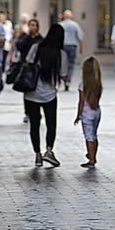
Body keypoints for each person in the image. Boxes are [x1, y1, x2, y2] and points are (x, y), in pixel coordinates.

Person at [23, 23, 68, 167]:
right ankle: (49, 150)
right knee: (51, 124)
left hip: (31, 93)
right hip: (49, 95)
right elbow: (64, 76)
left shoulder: (36, 48)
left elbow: (27, 64)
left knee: (34, 125)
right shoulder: (61, 55)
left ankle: (37, 155)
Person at [74, 57, 103, 168]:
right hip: (97, 111)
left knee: (89, 136)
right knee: (94, 135)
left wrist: (78, 115)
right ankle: (93, 155)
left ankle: (91, 159)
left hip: (87, 113)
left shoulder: (83, 84)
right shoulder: (97, 83)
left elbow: (81, 102)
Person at [16, 18, 43, 123]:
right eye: (31, 25)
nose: (33, 27)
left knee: (36, 90)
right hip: (26, 68)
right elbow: (19, 47)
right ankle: (27, 112)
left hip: (36, 68)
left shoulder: (40, 39)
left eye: (35, 25)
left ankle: (36, 112)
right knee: (26, 90)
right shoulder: (25, 37)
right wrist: (26, 36)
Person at [60, 9, 84, 91]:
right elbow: (80, 37)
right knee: (71, 65)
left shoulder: (61, 25)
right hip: (72, 47)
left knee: (63, 64)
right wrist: (81, 48)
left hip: (63, 47)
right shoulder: (75, 25)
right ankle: (68, 80)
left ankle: (64, 78)